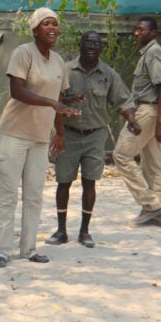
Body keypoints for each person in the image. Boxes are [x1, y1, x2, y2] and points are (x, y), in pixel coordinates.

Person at [0, 7, 80, 268]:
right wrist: (53, 103)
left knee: (34, 194)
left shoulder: (58, 61)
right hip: (15, 133)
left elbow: (58, 100)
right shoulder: (23, 53)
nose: (52, 28)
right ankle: (1, 251)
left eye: (55, 24)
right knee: (8, 194)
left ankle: (28, 249)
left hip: (40, 137)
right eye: (46, 24)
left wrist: (60, 130)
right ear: (35, 29)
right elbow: (18, 91)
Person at [45, 31, 136, 249]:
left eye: (95, 43)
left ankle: (85, 231)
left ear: (101, 47)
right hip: (68, 134)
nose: (91, 46)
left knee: (90, 181)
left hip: (95, 135)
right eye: (87, 42)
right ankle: (61, 230)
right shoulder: (66, 70)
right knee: (63, 182)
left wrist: (132, 120)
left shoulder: (108, 74)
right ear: (80, 45)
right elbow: (53, 100)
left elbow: (122, 100)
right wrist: (59, 133)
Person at [113, 17, 161, 228]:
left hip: (149, 111)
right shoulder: (147, 53)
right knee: (154, 166)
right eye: (135, 29)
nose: (136, 33)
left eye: (141, 29)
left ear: (153, 32)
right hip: (153, 112)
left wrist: (158, 124)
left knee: (120, 155)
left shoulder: (154, 52)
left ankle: (150, 205)